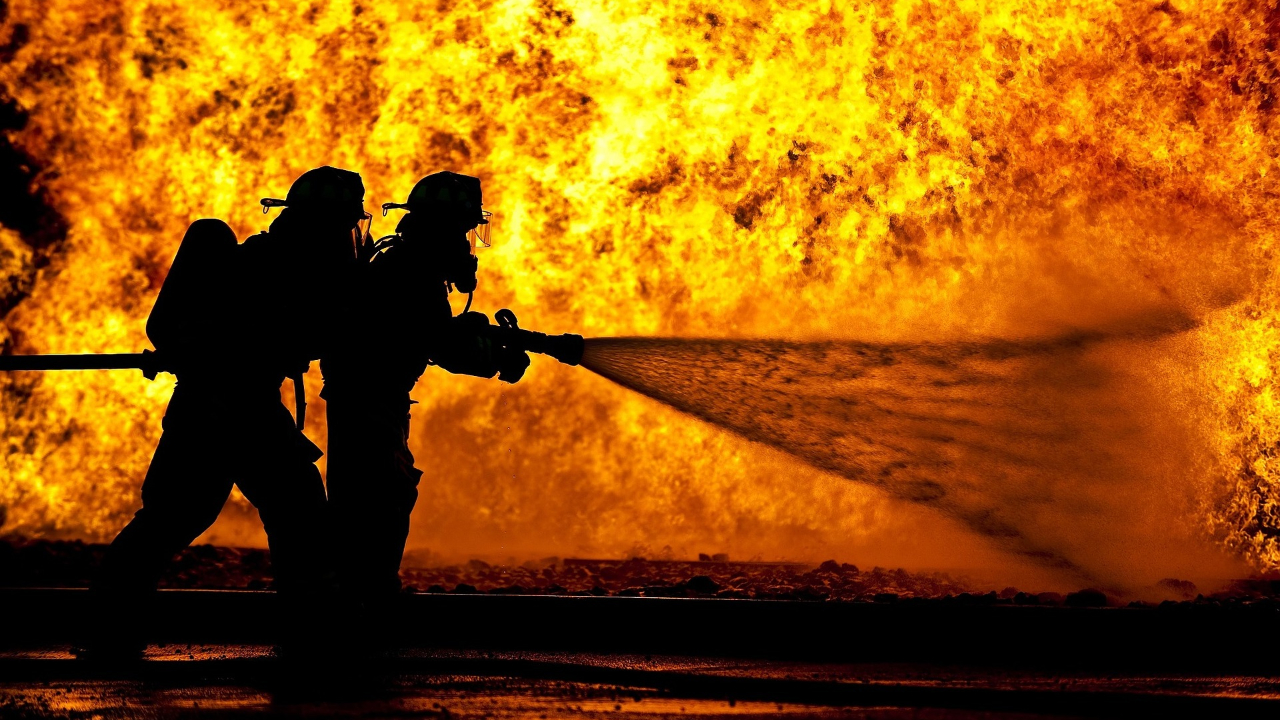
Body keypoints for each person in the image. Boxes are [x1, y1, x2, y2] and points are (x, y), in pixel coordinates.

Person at [84, 167, 369, 657]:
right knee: (278, 513)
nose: (346, 238)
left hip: (229, 407)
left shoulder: (287, 264)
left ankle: (110, 631)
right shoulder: (278, 269)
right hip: (225, 408)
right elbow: (293, 333)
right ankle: (313, 641)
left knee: (195, 517)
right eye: (341, 226)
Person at [321, 171, 528, 621]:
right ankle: (365, 602)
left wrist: (475, 335)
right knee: (381, 495)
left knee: (370, 495)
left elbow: (425, 333)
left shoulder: (408, 263)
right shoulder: (414, 268)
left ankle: (351, 596)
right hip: (370, 397)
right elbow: (442, 346)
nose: (469, 243)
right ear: (446, 228)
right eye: (464, 229)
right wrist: (495, 358)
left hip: (371, 394)